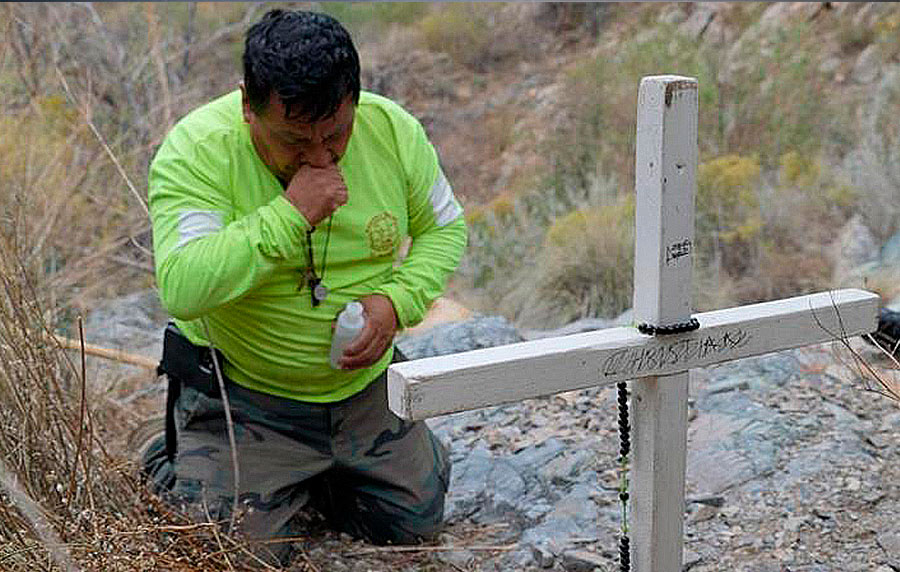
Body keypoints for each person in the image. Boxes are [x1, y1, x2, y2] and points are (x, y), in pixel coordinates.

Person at [141, 9, 467, 562]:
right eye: (294, 139)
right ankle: (175, 453)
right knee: (231, 552)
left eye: (336, 134)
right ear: (248, 106)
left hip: (361, 390)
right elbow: (184, 286)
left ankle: (314, 474)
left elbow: (445, 227)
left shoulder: (394, 131)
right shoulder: (197, 150)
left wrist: (396, 301)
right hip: (246, 398)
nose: (320, 157)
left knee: (413, 524)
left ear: (356, 101)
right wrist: (290, 216)